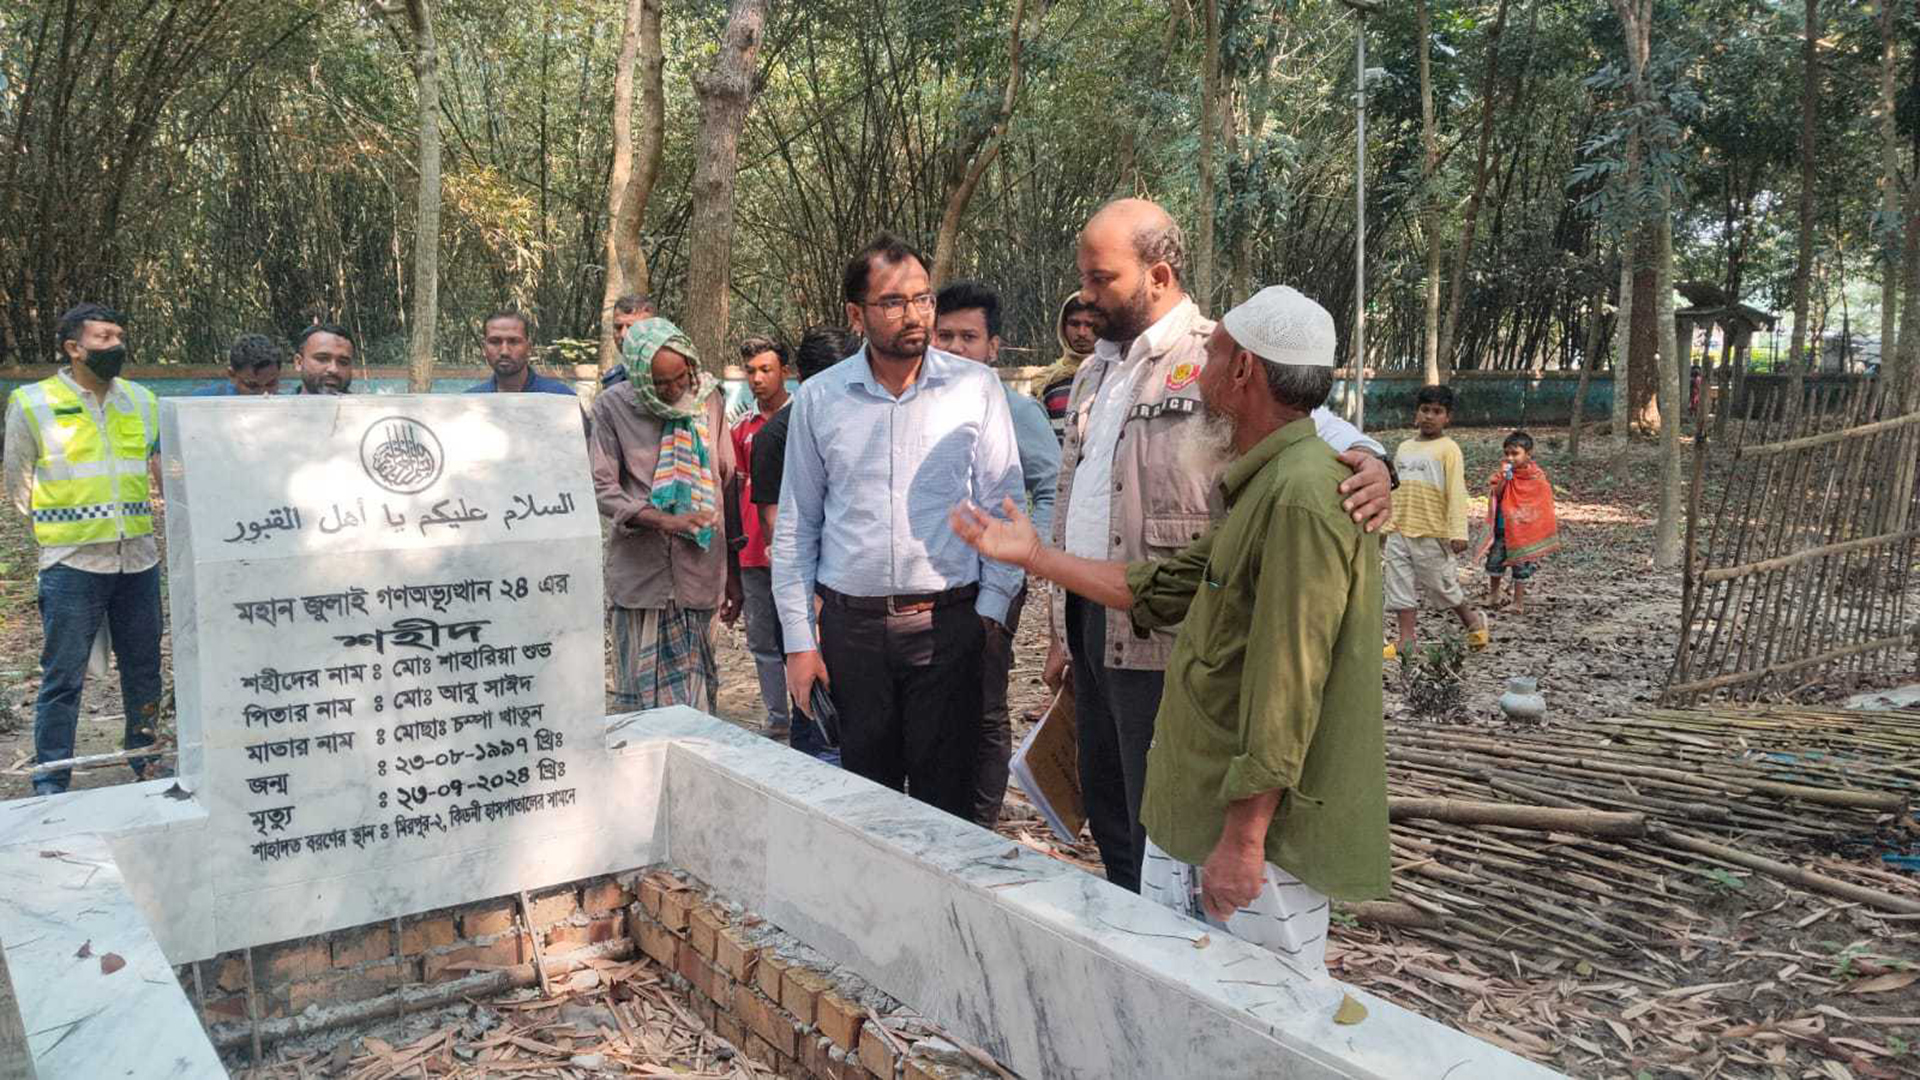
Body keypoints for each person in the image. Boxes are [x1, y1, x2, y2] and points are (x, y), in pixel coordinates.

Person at [952, 286, 1389, 977]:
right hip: (1202, 803)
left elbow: (1288, 690)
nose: (1197, 377)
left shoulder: (1304, 498)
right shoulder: (1262, 485)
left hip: (1255, 839)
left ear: (1243, 370)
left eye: (1209, 359)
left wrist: (1244, 842)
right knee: (1189, 987)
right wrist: (1033, 555)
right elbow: (1151, 587)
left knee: (1255, 1005)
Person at [1048, 197, 1393, 894]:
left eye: (1101, 279)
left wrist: (1375, 461)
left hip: (1169, 629)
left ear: (1159, 274)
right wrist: (1060, 624)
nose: (1086, 297)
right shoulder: (1095, 370)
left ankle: (1171, 937)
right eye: (1083, 278)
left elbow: (1312, 424)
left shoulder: (1216, 352)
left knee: (1164, 808)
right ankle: (1128, 929)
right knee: (1108, 797)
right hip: (1093, 614)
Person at [772, 234, 1024, 819]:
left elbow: (1004, 505)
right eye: (893, 302)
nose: (914, 315)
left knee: (949, 806)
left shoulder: (974, 388)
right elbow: (797, 526)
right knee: (866, 805)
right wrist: (799, 643)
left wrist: (987, 615)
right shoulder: (819, 399)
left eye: (923, 299)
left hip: (949, 626)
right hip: (851, 635)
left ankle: (946, 912)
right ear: (855, 314)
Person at [3, 304, 165, 795]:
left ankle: (145, 758)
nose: (115, 344)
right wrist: (66, 526)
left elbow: (155, 468)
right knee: (62, 677)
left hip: (138, 558)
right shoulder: (33, 402)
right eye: (103, 337)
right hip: (72, 562)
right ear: (74, 348)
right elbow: (19, 483)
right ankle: (52, 778)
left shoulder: (142, 400)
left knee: (144, 668)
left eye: (119, 335)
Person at [933, 280, 1061, 827]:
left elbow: (1052, 486)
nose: (956, 348)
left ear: (994, 347)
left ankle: (980, 824)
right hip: (928, 586)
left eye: (969, 336)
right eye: (945, 336)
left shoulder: (1017, 411)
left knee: (985, 705)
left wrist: (1027, 561)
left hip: (995, 582)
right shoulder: (917, 408)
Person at [591, 316, 740, 712]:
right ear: (639, 377)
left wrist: (734, 575)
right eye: (661, 384)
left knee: (695, 707)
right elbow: (604, 488)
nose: (675, 390)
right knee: (641, 710)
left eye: (681, 377)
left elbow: (725, 478)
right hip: (642, 580)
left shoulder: (707, 398)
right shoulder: (611, 408)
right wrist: (662, 519)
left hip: (699, 573)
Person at [751, 325, 857, 763]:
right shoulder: (775, 437)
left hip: (852, 601)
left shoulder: (856, 426)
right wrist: (810, 607)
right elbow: (782, 529)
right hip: (808, 600)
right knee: (816, 715)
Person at [1382, 384, 1488, 661]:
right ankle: (1406, 641)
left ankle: (1473, 622)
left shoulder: (1448, 449)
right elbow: (1394, 489)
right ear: (1416, 413)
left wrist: (1457, 531)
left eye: (1437, 411)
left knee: (1442, 584)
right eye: (1425, 410)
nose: (1430, 416)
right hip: (1399, 529)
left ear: (1447, 417)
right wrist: (1384, 525)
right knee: (1398, 585)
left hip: (1432, 531)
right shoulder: (1404, 448)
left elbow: (1455, 492)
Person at [728, 335, 793, 739]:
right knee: (764, 640)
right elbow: (732, 493)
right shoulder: (741, 431)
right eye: (750, 371)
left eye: (766, 369)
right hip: (754, 552)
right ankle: (777, 719)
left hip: (798, 551)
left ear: (785, 371)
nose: (757, 378)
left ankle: (814, 716)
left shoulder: (803, 418)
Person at [1481, 430, 1560, 611]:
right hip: (1502, 528)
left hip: (1523, 532)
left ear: (1528, 454)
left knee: (1520, 566)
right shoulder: (1502, 473)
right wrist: (1504, 480)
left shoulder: (1536, 478)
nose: (1510, 458)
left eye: (1515, 453)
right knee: (1495, 562)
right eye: (1507, 453)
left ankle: (1518, 603)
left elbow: (1540, 503)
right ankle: (1494, 595)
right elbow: (1497, 494)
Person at [1032, 294, 1103, 442]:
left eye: (1090, 325)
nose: (1082, 333)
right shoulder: (1046, 382)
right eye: (1074, 324)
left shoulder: (1114, 375)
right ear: (1063, 327)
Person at [466, 310, 577, 395]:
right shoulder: (471, 401)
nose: (504, 351)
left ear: (529, 347)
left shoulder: (559, 397)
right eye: (495, 342)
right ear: (484, 348)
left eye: (514, 342)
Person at [193, 334, 284, 395]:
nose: (263, 394)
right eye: (252, 386)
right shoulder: (203, 401)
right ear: (232, 375)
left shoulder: (288, 403)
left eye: (271, 383)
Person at [601, 294, 658, 388]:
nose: (623, 335)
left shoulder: (671, 377)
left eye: (632, 327)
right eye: (618, 327)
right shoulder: (612, 380)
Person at [292, 323, 356, 395]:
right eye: (322, 359)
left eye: (343, 362)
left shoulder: (364, 405)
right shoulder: (280, 404)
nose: (333, 369)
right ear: (299, 363)